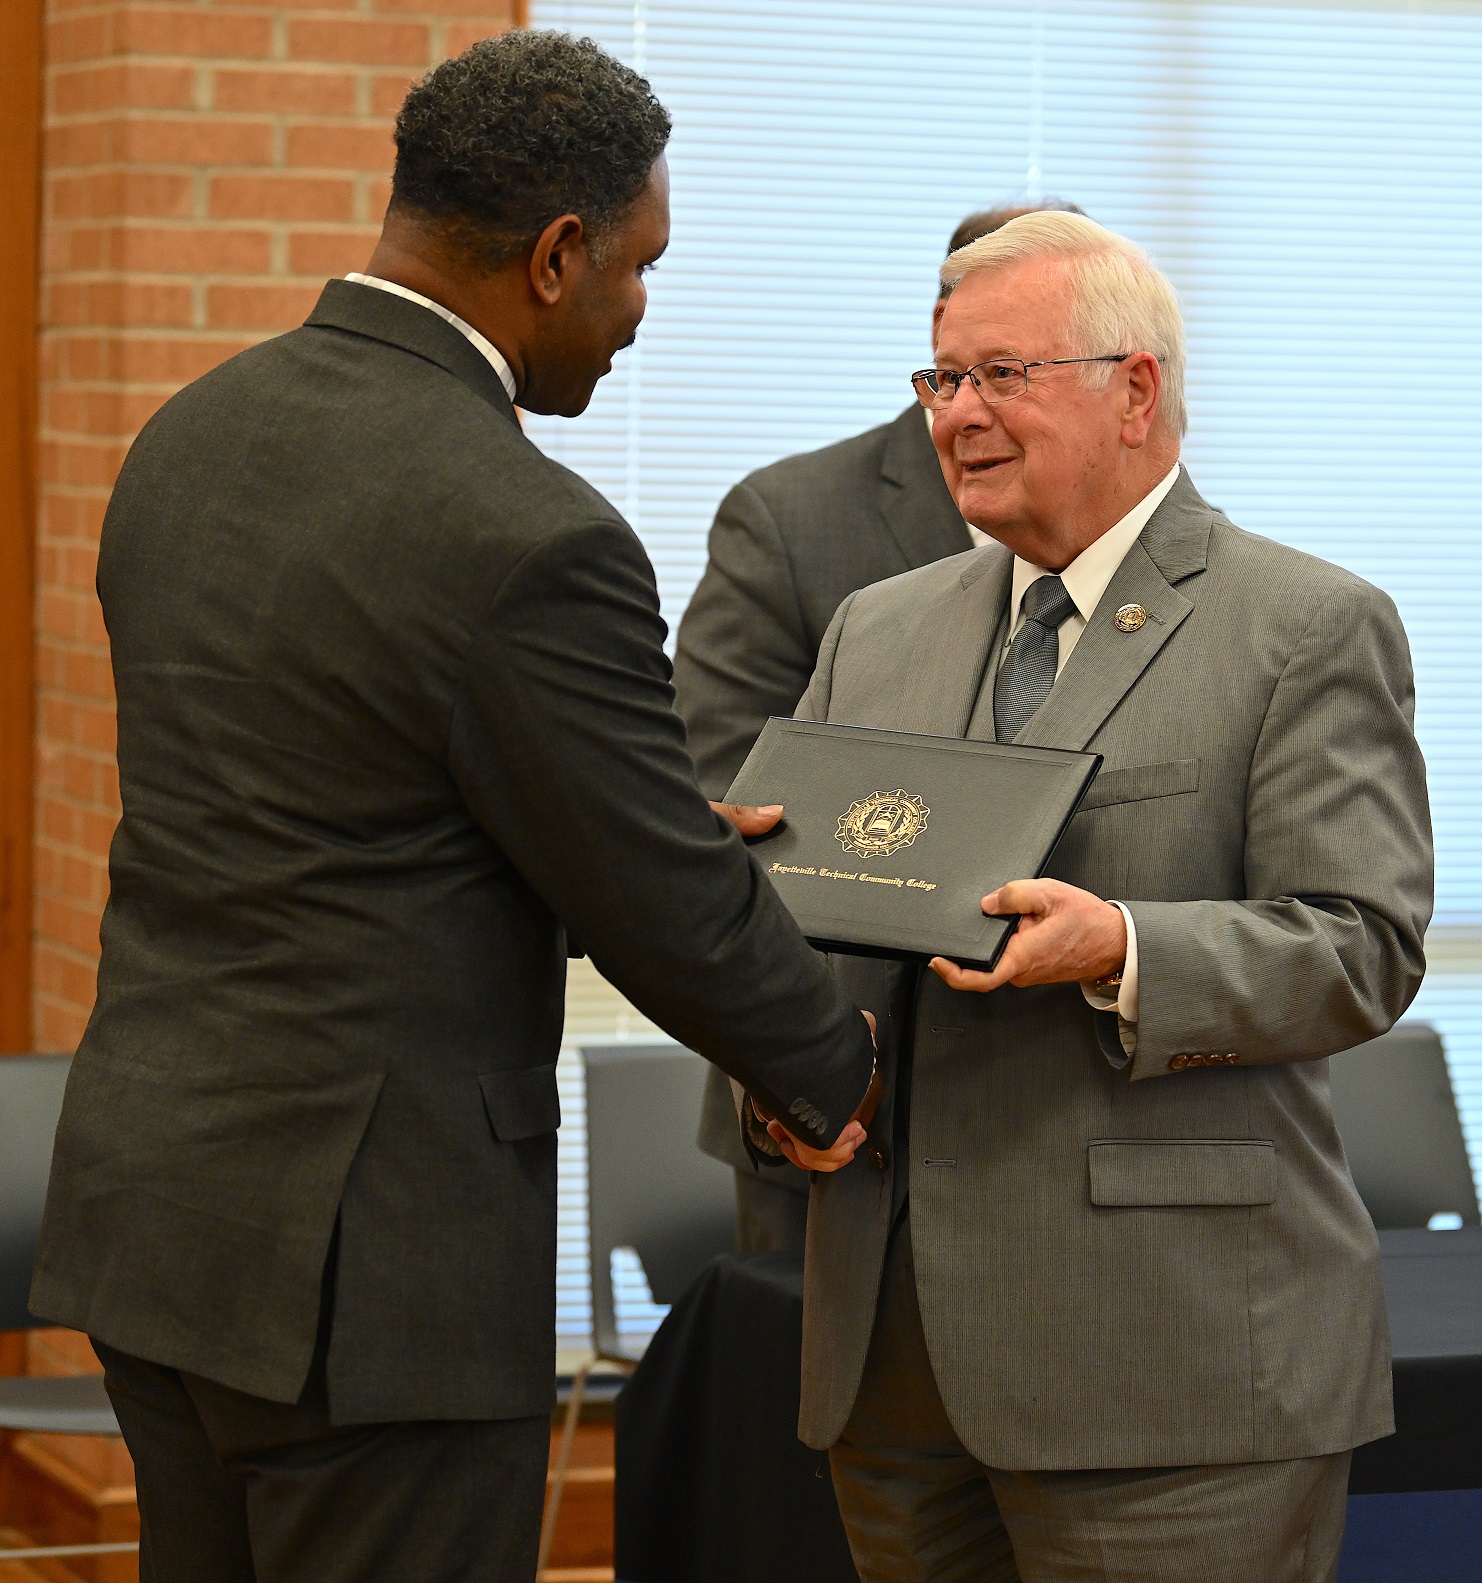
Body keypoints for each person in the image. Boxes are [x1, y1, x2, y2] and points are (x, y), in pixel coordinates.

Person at [29, 32, 875, 1583]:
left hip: (160, 1221)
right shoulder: (530, 530)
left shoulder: (183, 440)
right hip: (373, 1281)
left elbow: (339, 800)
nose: (636, 318)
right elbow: (669, 915)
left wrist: (635, 819)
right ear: (556, 256)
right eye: (637, 269)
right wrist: (840, 1072)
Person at [743, 211, 1432, 1581]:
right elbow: (817, 924)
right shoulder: (874, 629)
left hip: (1171, 1376)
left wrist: (1118, 945)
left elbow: (1361, 947)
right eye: (941, 380)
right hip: (892, 1371)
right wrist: (785, 1088)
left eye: (1003, 374)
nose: (958, 415)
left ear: (1135, 389)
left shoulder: (1300, 624)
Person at [677, 201, 1084, 1254]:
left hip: (1067, 1131)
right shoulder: (791, 517)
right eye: (990, 360)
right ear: (946, 328)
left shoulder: (1134, 532)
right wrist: (809, 1067)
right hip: (839, 1120)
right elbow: (729, 808)